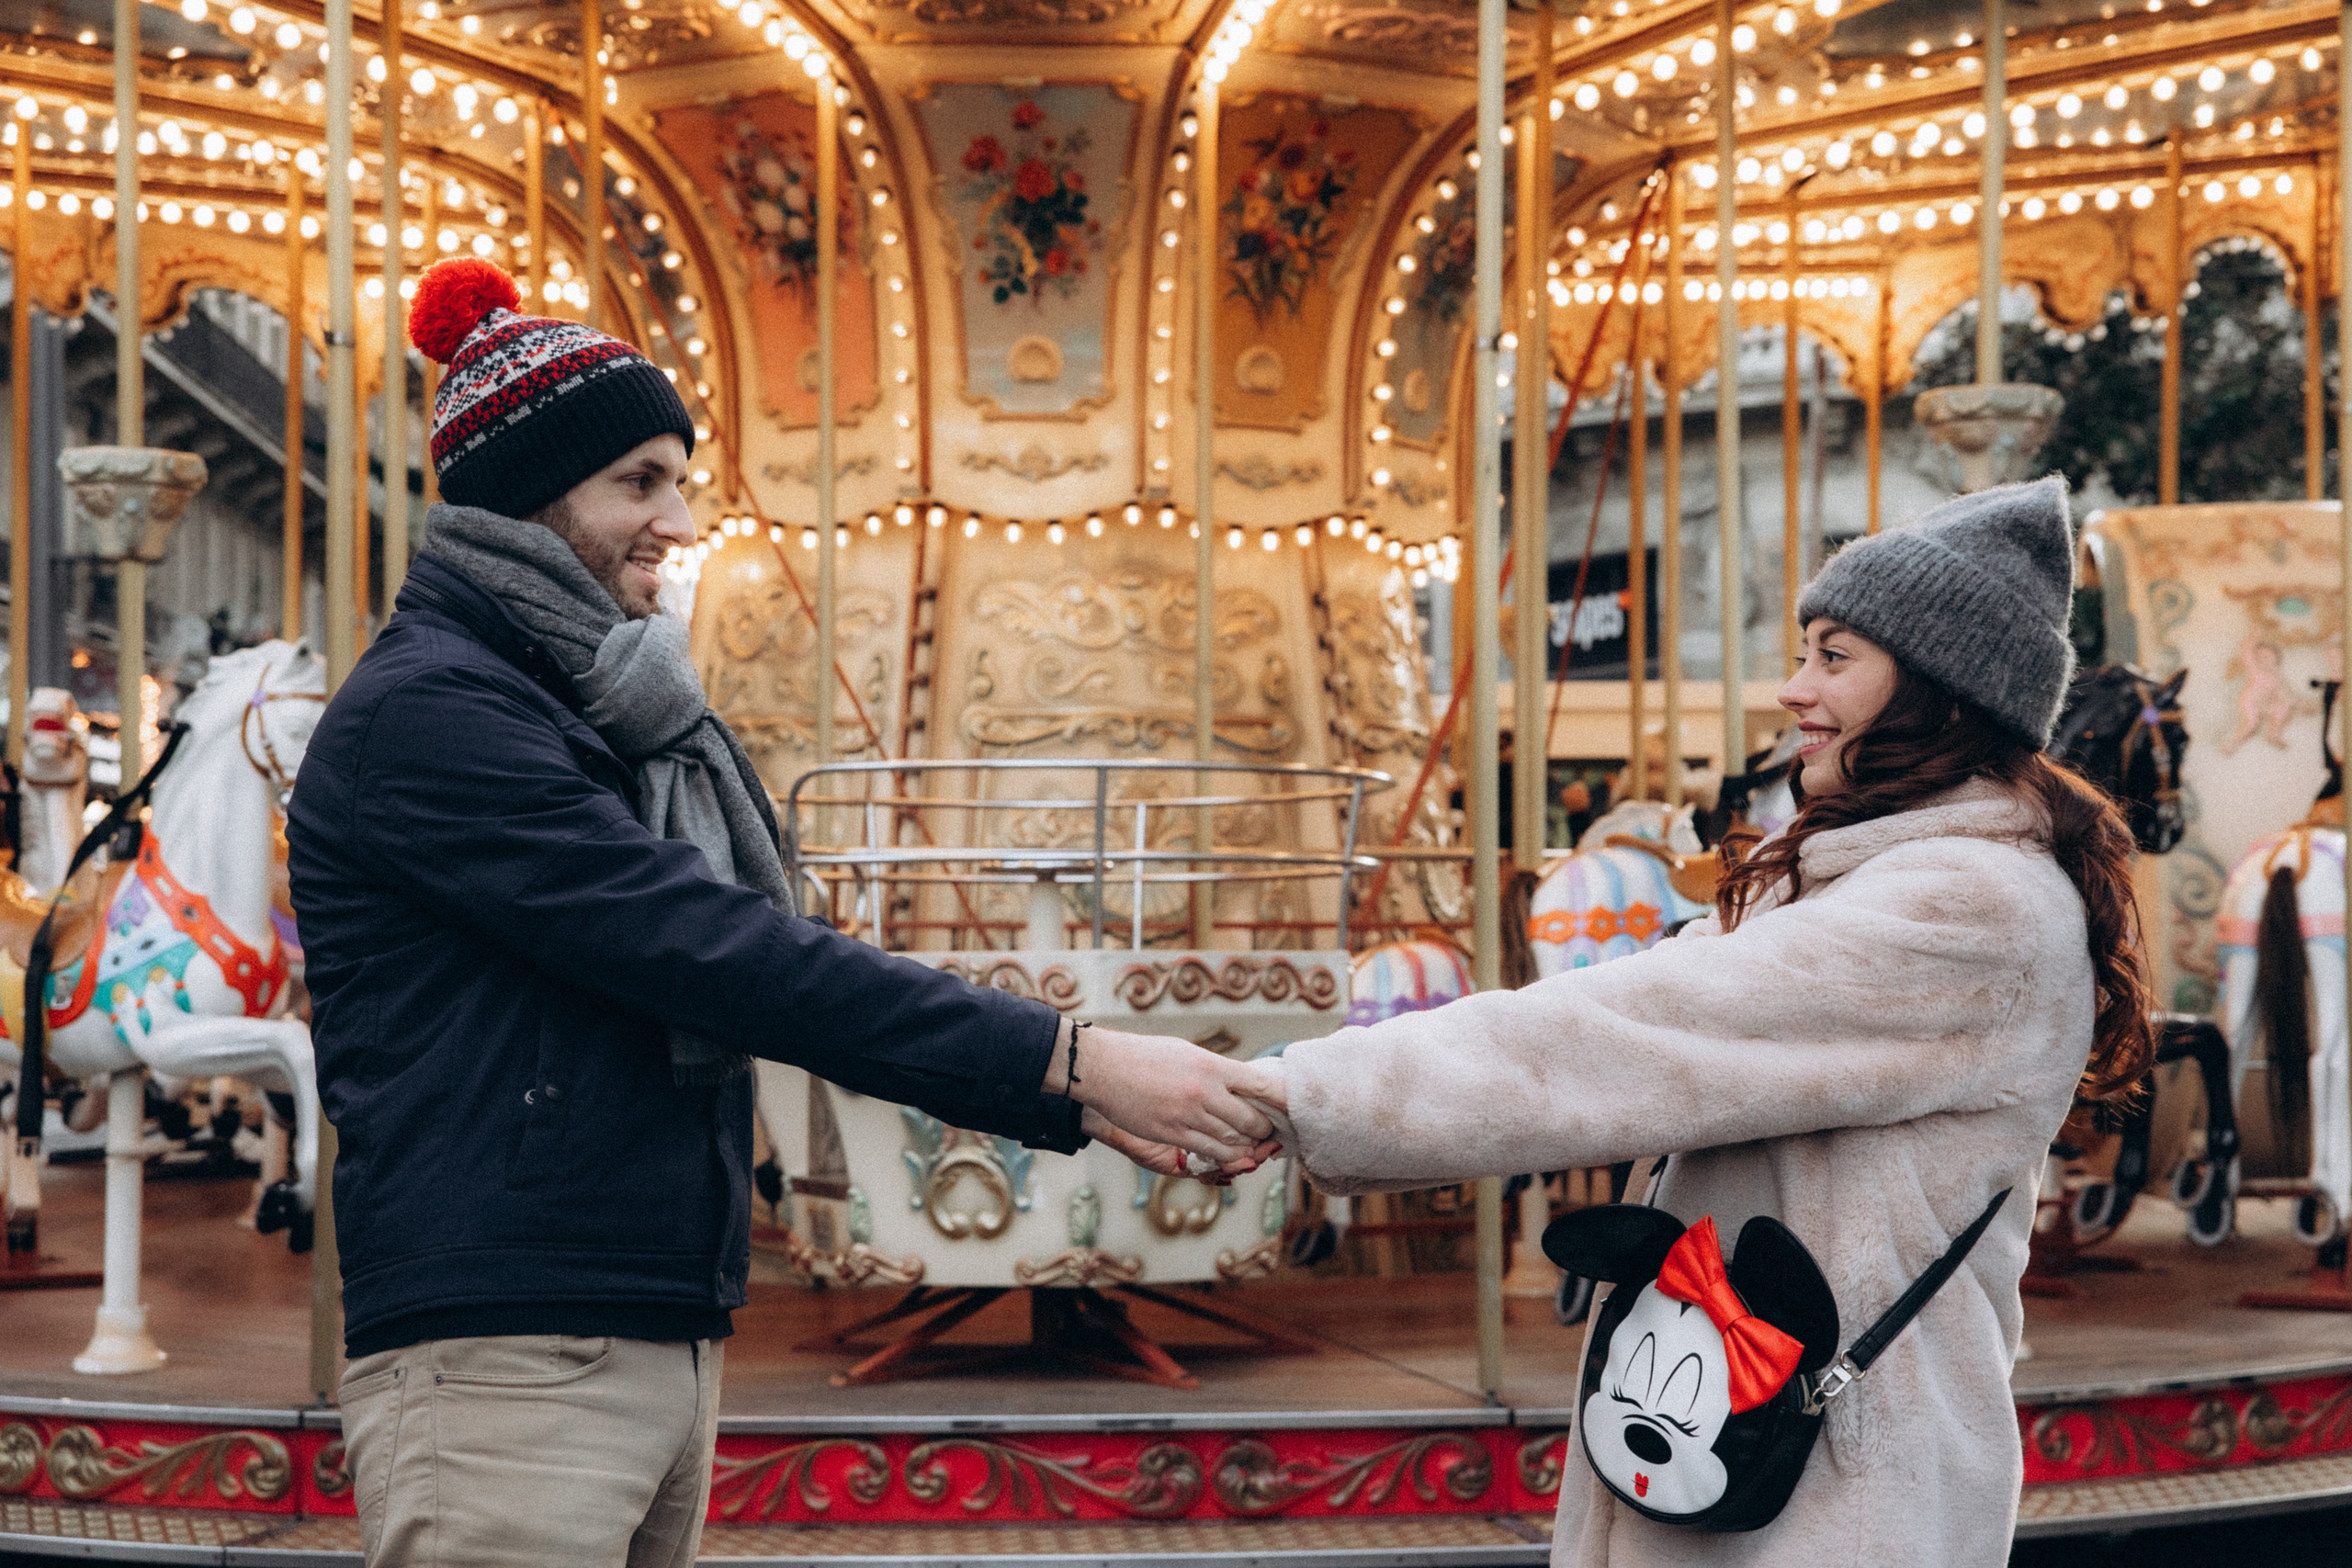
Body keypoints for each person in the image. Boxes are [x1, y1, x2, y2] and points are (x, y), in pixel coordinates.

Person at [288, 258, 1269, 1568]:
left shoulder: (593, 707)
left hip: (631, 1316)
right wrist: (1074, 1065)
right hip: (507, 1347)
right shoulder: (437, 716)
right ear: (528, 493)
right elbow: (717, 951)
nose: (679, 517)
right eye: (639, 479)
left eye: (678, 479)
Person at [1217, 477, 2151, 1565]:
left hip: (1838, 1479)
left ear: (1941, 689)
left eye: (1834, 657)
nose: (1792, 689)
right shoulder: (1846, 878)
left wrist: (1295, 1092)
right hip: (1742, 1426)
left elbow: (1621, 1035)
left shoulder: (1962, 907)